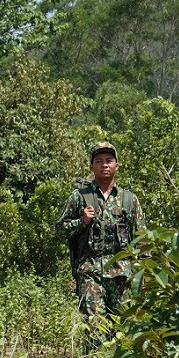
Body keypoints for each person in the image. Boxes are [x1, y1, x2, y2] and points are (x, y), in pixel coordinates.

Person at [55, 141, 146, 345]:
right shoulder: (80, 197)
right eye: (98, 161)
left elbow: (142, 240)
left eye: (108, 160)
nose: (104, 165)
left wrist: (145, 275)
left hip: (123, 275)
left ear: (116, 165)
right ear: (91, 167)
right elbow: (60, 230)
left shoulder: (129, 200)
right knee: (94, 330)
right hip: (90, 274)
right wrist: (82, 222)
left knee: (124, 330)